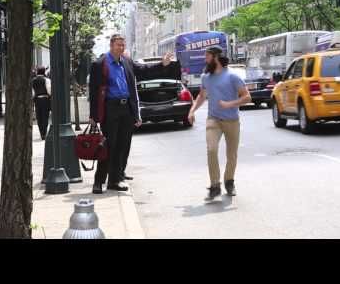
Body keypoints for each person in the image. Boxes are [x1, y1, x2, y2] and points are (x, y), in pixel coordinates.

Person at [89, 34, 173, 193]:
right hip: (110, 108)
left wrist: (162, 64)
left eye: (123, 45)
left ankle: (115, 180)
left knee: (123, 146)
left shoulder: (126, 62)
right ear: (111, 45)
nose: (121, 48)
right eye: (118, 45)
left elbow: (144, 70)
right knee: (108, 146)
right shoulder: (100, 64)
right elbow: (94, 91)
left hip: (126, 108)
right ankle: (98, 182)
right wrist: (93, 116)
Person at [187, 45, 251, 201]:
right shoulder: (206, 77)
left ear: (215, 57)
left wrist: (229, 104)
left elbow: (247, 97)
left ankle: (229, 181)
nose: (205, 59)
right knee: (211, 150)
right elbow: (202, 96)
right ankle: (215, 185)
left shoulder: (232, 76)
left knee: (231, 155)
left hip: (231, 120)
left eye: (207, 56)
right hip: (213, 119)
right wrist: (192, 110)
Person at [32, 66, 52, 140]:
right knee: (45, 117)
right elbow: (49, 90)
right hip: (45, 100)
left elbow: (32, 92)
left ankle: (41, 133)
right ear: (44, 72)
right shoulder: (46, 80)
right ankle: (44, 132)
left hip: (37, 100)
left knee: (39, 117)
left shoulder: (33, 80)